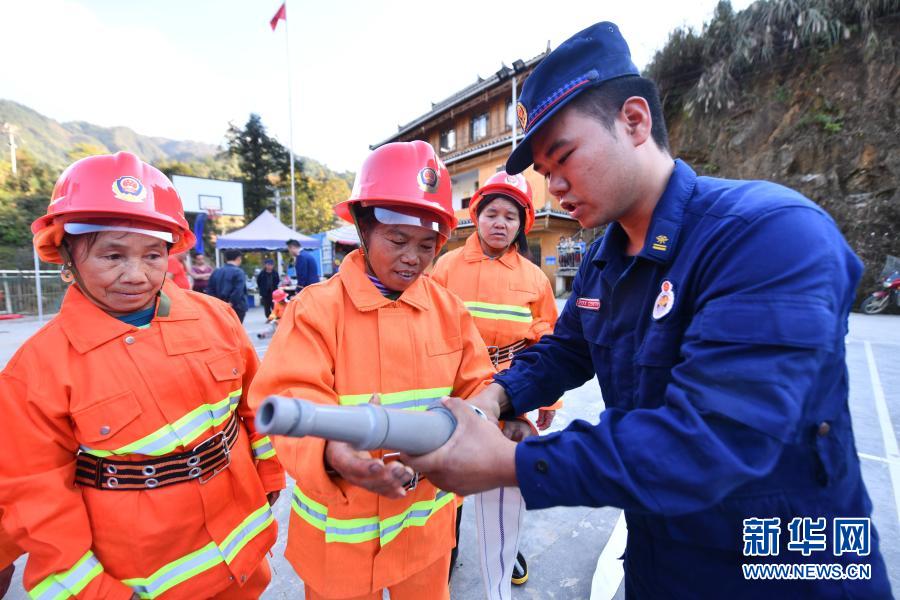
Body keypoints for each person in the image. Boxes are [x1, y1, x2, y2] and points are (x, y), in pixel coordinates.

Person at [405, 22, 892, 598]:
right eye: (545, 173)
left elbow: (711, 440)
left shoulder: (768, 233)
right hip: (662, 558)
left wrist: (512, 462)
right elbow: (566, 350)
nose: (555, 187)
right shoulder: (603, 260)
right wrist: (495, 397)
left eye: (564, 158)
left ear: (634, 121)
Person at [0, 152, 284, 599]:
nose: (135, 275)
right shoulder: (36, 371)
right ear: (67, 256)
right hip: (138, 584)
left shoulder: (216, 319)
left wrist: (269, 475)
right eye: (112, 255)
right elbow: (36, 500)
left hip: (243, 568)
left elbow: (257, 406)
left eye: (152, 255)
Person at [248, 140, 497, 600]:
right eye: (397, 240)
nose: (412, 257)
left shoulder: (450, 311)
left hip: (424, 531)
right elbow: (288, 398)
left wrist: (503, 420)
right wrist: (330, 452)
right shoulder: (315, 311)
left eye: (427, 245)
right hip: (339, 538)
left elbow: (479, 386)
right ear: (364, 228)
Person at [430, 171, 560, 593]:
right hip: (454, 389)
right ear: (476, 216)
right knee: (450, 479)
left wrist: (548, 402)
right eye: (491, 214)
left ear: (522, 224)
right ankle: (444, 549)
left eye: (510, 216)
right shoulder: (446, 267)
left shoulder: (534, 278)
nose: (500, 223)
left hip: (510, 391)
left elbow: (548, 342)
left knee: (503, 475)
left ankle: (507, 545)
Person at [208, 249, 249, 323]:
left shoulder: (216, 271)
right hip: (236, 307)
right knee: (236, 330)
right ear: (238, 258)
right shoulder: (239, 272)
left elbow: (210, 289)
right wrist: (231, 302)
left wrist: (216, 303)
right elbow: (238, 290)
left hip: (219, 306)